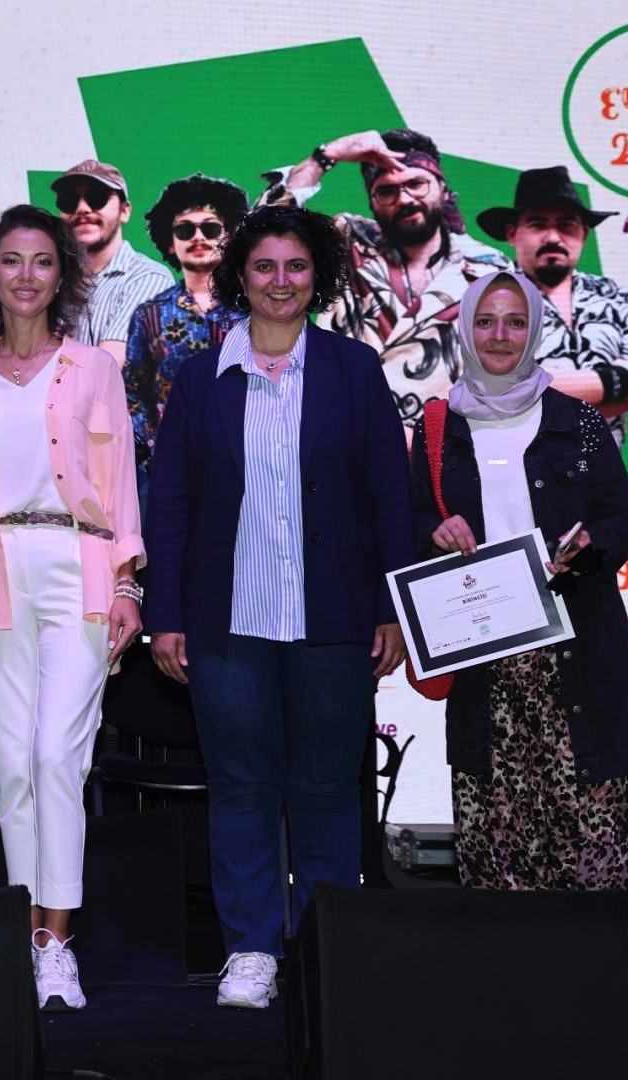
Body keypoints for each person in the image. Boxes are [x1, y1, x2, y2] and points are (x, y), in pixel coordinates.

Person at [145, 205, 415, 1010]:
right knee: (242, 787)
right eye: (264, 266)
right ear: (240, 276)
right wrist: (166, 613)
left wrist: (392, 605)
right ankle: (252, 950)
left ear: (317, 276)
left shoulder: (353, 369)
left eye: (296, 266)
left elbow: (389, 497)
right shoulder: (200, 378)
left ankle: (328, 950)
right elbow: (170, 506)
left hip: (333, 616)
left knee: (328, 788)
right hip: (226, 620)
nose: (280, 281)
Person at [0, 205, 143, 1012]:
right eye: (11, 261)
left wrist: (127, 583)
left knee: (58, 757)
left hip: (76, 566)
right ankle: (26, 937)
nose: (26, 275)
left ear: (63, 277)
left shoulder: (93, 370)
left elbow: (120, 483)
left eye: (42, 261)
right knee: (14, 766)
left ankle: (58, 942)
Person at [409, 269, 628, 900]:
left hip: (577, 650)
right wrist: (434, 530)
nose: (500, 335)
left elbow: (620, 517)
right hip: (486, 659)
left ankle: (596, 960)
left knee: (593, 842)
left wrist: (590, 549)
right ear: (465, 331)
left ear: (535, 330)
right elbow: (409, 520)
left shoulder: (579, 420)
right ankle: (511, 963)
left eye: (516, 322)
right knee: (499, 847)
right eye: (485, 321)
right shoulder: (438, 427)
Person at [261, 128, 509, 432]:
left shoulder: (490, 269)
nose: (404, 199)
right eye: (387, 191)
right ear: (372, 202)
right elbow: (260, 237)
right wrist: (326, 156)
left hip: (445, 446)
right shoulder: (346, 242)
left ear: (444, 190)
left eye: (416, 184)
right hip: (341, 439)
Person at [477, 166, 628, 447]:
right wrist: (618, 381)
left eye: (566, 225)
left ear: (584, 235)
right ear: (512, 233)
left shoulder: (613, 295)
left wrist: (547, 399)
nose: (553, 238)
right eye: (538, 224)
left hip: (604, 468)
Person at [124, 174, 250, 510]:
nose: (198, 237)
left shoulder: (258, 309)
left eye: (210, 228)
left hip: (253, 472)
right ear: (169, 242)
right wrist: (156, 448)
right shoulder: (150, 314)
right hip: (173, 478)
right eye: (184, 230)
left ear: (229, 236)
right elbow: (131, 392)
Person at [51, 160, 174, 365]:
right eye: (69, 200)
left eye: (97, 197)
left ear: (124, 211)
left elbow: (105, 369)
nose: (82, 208)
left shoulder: (149, 278)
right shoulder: (51, 280)